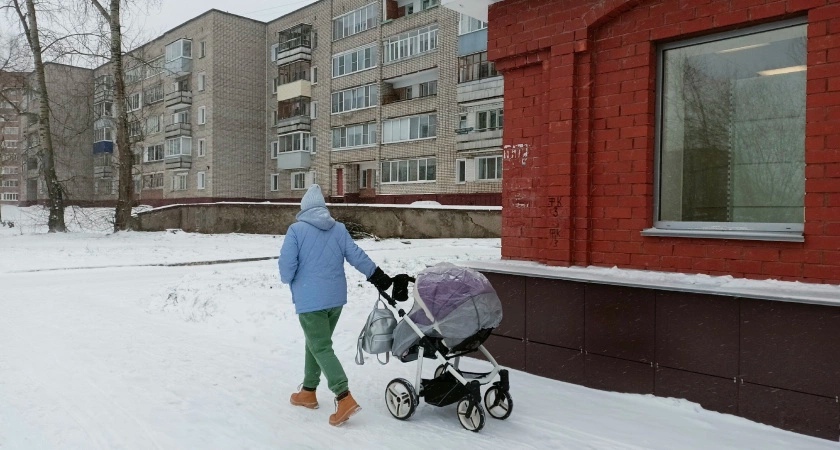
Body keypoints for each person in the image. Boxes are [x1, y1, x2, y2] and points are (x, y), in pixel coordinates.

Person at [278, 184, 392, 427]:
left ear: (304, 208)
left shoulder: (296, 230)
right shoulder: (338, 229)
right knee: (317, 344)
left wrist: (292, 278)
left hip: (311, 300)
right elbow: (356, 255)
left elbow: (286, 269)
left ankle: (344, 396)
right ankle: (308, 391)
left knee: (320, 346)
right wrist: (378, 276)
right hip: (335, 299)